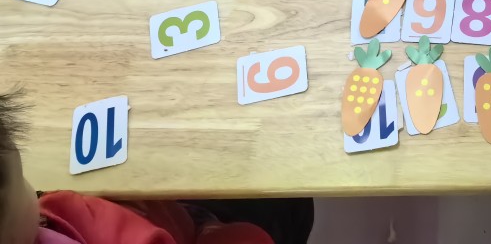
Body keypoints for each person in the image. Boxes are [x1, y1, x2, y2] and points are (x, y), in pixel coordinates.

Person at [0, 98, 313, 244]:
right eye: (23, 179)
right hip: (199, 230)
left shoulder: (43, 219)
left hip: (162, 211)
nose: (38, 192)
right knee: (291, 200)